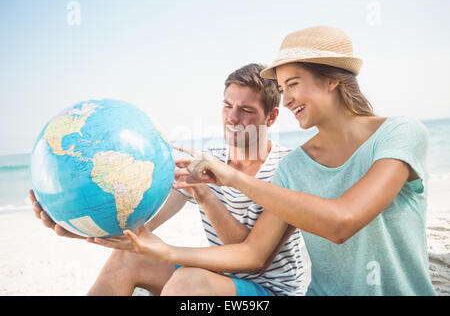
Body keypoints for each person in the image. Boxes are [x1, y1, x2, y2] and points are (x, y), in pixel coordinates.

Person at [90, 26, 437, 296]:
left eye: (293, 84)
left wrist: (228, 181)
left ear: (332, 79)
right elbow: (253, 253)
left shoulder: (400, 134)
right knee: (142, 265)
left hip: (274, 291)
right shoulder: (296, 167)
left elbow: (342, 222)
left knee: (189, 286)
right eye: (282, 89)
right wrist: (90, 227)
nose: (287, 100)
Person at [30, 63, 307, 296]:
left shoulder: (285, 168)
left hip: (269, 292)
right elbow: (141, 224)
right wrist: (80, 228)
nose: (232, 118)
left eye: (246, 110)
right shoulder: (211, 156)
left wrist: (205, 196)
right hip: (222, 280)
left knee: (189, 282)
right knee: (129, 257)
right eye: (227, 105)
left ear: (271, 117)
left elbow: (248, 258)